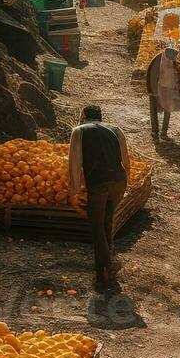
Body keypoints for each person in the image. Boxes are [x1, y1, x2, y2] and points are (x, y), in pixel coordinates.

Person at [67, 105, 131, 291]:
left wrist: (73, 193)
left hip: (99, 182)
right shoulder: (115, 129)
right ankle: (108, 261)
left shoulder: (79, 131)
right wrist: (126, 183)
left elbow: (75, 165)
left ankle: (104, 274)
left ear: (85, 116)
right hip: (119, 180)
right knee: (107, 221)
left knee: (97, 229)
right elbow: (126, 161)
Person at [145, 42, 179, 141]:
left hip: (167, 90)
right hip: (155, 89)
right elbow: (152, 75)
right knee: (154, 111)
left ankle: (164, 132)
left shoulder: (171, 61)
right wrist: (155, 92)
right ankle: (155, 132)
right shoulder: (158, 61)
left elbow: (174, 75)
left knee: (167, 111)